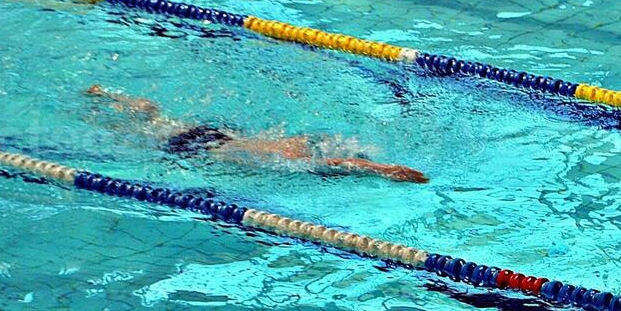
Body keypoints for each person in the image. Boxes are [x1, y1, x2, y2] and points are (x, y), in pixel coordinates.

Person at [85, 86, 428, 183]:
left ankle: (114, 100)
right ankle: (115, 103)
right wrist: (383, 170)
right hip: (206, 146)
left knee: (151, 122)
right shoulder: (298, 158)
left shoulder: (296, 147)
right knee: (143, 128)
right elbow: (338, 163)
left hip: (220, 139)